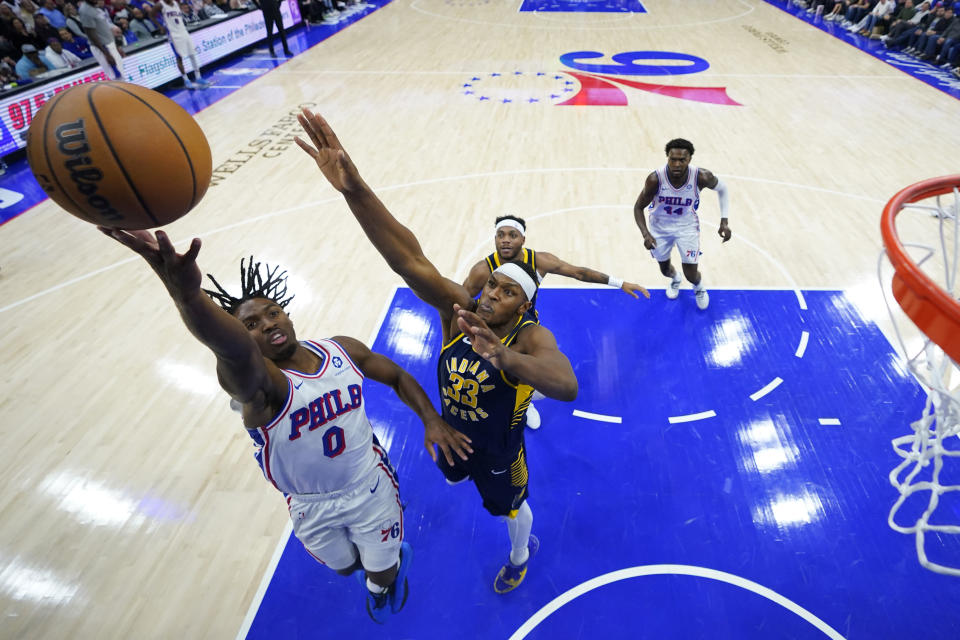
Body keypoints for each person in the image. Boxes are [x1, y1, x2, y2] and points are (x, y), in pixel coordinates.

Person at [98, 228, 473, 623]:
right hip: (310, 504)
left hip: (369, 485)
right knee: (344, 567)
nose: (267, 323)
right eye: (251, 324)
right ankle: (371, 566)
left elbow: (395, 374)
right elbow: (234, 352)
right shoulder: (262, 390)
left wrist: (431, 419)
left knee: (380, 571)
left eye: (272, 312)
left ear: (288, 314)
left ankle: (386, 575)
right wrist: (188, 295)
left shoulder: (339, 349)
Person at [295, 108, 579, 594]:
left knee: (511, 508)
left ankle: (518, 555)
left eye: (506, 293)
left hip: (499, 450)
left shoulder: (529, 337)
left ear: (525, 304)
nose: (491, 294)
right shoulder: (459, 313)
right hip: (451, 431)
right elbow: (407, 259)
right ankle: (458, 467)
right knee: (451, 475)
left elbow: (566, 385)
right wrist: (354, 189)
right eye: (491, 285)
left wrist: (506, 359)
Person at [462, 214, 648, 430]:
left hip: (524, 330)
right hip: (496, 329)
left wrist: (620, 283)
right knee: (493, 377)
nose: (505, 240)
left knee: (532, 379)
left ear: (523, 239)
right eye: (500, 235)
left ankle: (526, 403)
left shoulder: (540, 261)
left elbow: (578, 272)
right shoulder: (483, 270)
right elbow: (461, 300)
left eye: (512, 235)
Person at [633, 138, 731, 310]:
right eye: (673, 159)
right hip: (659, 229)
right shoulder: (655, 179)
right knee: (664, 270)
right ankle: (675, 278)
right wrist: (646, 234)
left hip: (687, 227)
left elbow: (723, 189)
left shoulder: (701, 176)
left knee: (691, 274)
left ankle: (699, 288)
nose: (676, 164)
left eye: (682, 160)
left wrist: (724, 220)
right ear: (667, 158)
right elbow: (638, 207)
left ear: (690, 159)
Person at [154, 0, 208, 88]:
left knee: (192, 54)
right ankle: (186, 80)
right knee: (179, 57)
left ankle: (198, 77)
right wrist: (160, 26)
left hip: (183, 31)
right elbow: (151, 15)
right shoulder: (160, 4)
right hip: (173, 35)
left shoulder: (175, 3)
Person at [78, 0, 123, 79]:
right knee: (114, 76)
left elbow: (103, 28)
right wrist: (106, 54)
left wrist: (116, 46)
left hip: (109, 44)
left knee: (122, 72)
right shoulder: (85, 11)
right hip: (102, 48)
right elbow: (91, 35)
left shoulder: (96, 7)